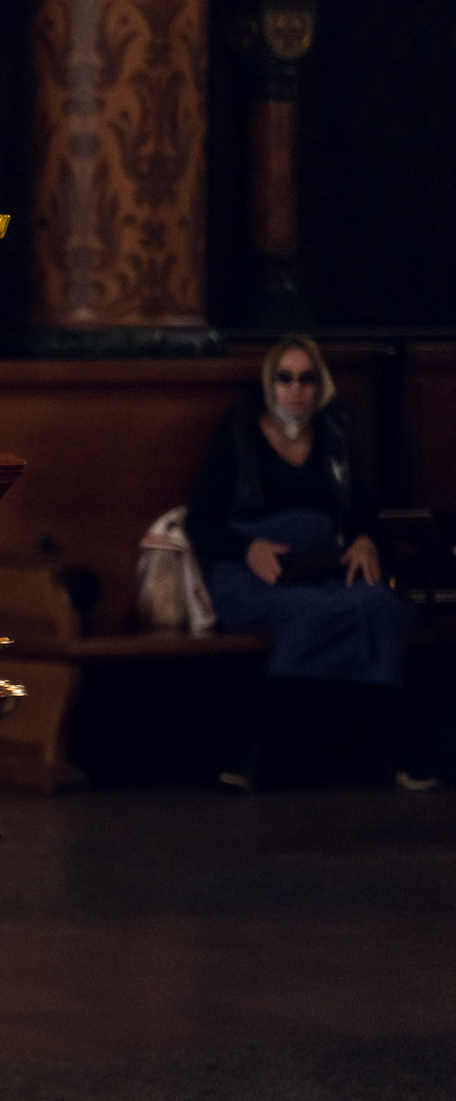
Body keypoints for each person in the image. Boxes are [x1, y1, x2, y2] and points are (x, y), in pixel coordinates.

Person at [187, 335, 440, 792]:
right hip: (251, 572)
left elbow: (363, 511)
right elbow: (201, 520)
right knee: (314, 613)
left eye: (306, 380)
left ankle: (397, 751)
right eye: (285, 379)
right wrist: (246, 548)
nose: (295, 390)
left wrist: (365, 539)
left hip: (318, 566)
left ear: (319, 385)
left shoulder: (335, 437)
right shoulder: (239, 434)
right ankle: (261, 753)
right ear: (270, 384)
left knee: (383, 607)